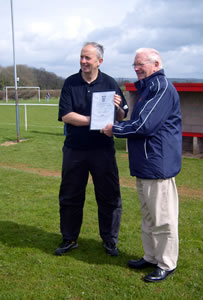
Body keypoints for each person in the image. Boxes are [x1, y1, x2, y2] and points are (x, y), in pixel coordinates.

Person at [102, 48, 182, 282]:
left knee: (163, 217)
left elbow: (144, 125)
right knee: (149, 215)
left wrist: (113, 128)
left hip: (158, 165)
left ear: (155, 64)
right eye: (134, 65)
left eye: (140, 64)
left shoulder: (161, 87)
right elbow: (139, 122)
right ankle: (151, 256)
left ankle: (166, 263)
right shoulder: (149, 87)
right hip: (146, 164)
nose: (136, 68)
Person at [55, 42, 128, 256]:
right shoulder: (70, 83)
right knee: (70, 196)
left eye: (88, 58)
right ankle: (69, 239)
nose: (83, 61)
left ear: (99, 61)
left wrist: (116, 109)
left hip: (102, 150)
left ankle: (109, 241)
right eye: (81, 57)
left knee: (109, 196)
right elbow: (66, 115)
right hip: (74, 150)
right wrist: (93, 120)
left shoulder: (110, 83)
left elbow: (122, 115)